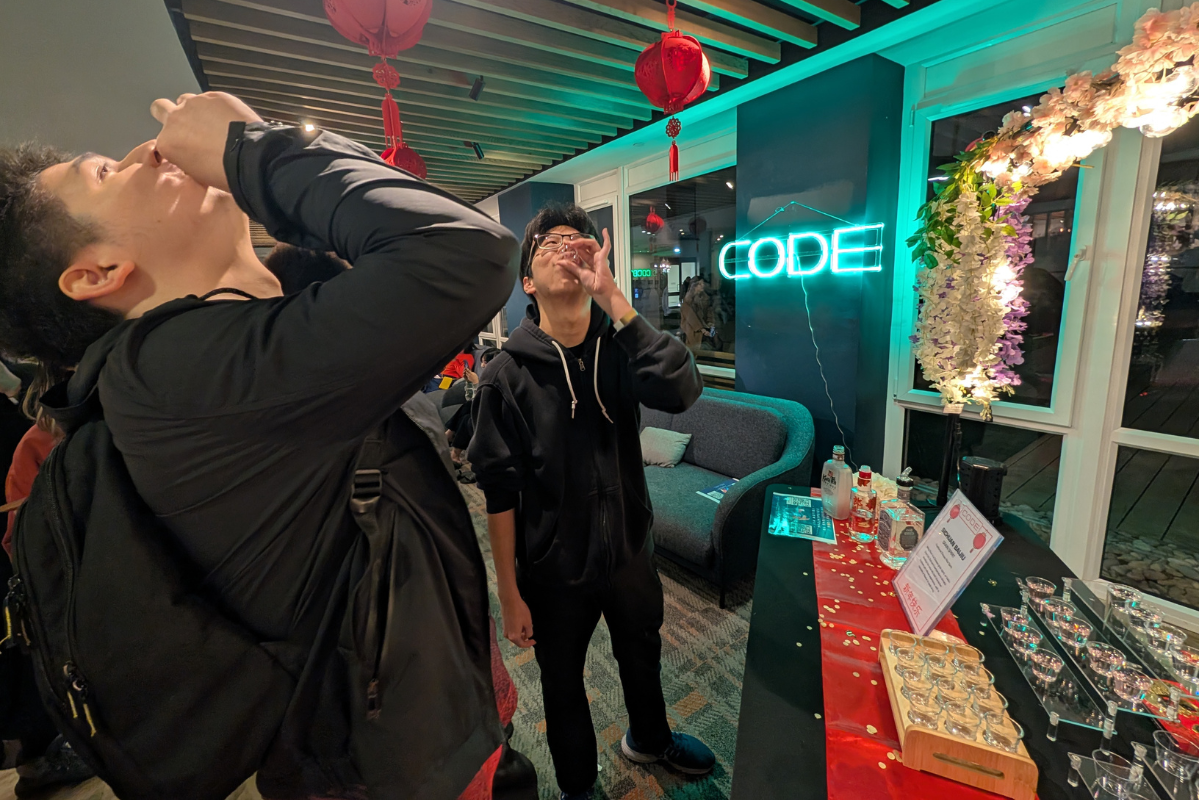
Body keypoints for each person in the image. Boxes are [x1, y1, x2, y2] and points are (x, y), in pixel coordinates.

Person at [0, 91, 517, 799]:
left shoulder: (201, 361)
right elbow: (466, 253)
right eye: (105, 172)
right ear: (95, 273)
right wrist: (249, 148)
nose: (147, 150)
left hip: (411, 710)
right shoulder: (177, 374)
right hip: (386, 764)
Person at [469, 204, 715, 800]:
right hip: (555, 568)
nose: (565, 247)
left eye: (577, 239)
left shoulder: (621, 347)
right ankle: (579, 788)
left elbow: (682, 387)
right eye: (547, 242)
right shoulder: (505, 375)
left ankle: (649, 739)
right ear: (527, 281)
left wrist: (615, 300)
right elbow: (499, 493)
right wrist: (509, 591)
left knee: (642, 652)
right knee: (563, 684)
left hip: (630, 547)